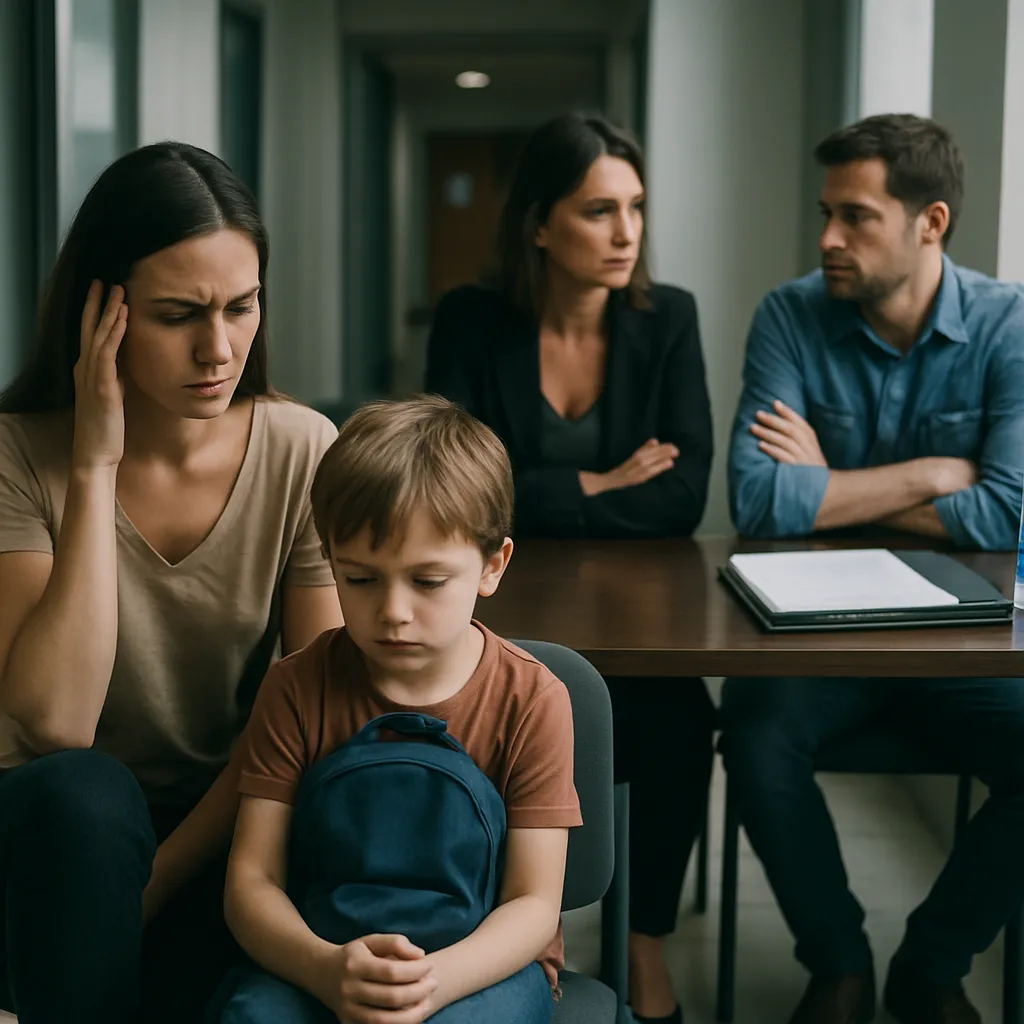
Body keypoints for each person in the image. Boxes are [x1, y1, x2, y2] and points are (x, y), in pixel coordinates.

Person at [0, 142, 344, 1024]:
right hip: (54, 832)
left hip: (226, 820)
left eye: (242, 306)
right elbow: (57, 723)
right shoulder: (15, 455)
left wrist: (150, 885)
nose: (218, 348)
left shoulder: (301, 449)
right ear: (99, 314)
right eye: (178, 314)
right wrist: (94, 464)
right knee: (90, 797)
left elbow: (312, 709)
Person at [724, 113, 1024, 1024]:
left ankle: (932, 965)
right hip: (816, 638)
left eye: (855, 217)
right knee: (755, 733)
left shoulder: (1009, 327)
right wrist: (934, 476)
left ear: (930, 222)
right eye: (827, 213)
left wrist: (829, 485)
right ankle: (839, 959)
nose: (827, 240)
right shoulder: (790, 313)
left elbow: (1009, 511)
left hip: (963, 642)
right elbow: (757, 500)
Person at [426, 112, 714, 1024]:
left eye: (635, 208)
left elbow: (682, 497)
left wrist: (538, 485)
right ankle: (482, 928)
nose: (628, 232)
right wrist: (598, 480)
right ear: (541, 225)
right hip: (502, 596)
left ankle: (645, 947)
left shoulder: (669, 319)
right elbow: (456, 488)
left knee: (676, 722)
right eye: (599, 211)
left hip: (642, 603)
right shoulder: (471, 321)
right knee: (472, 712)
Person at [216, 395, 581, 1023]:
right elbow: (251, 885)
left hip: (479, 969)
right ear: (329, 559)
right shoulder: (296, 686)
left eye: (428, 581)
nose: (393, 611)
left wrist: (435, 983)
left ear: (494, 565)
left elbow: (532, 903)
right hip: (321, 956)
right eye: (359, 579)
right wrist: (324, 970)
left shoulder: (533, 699)